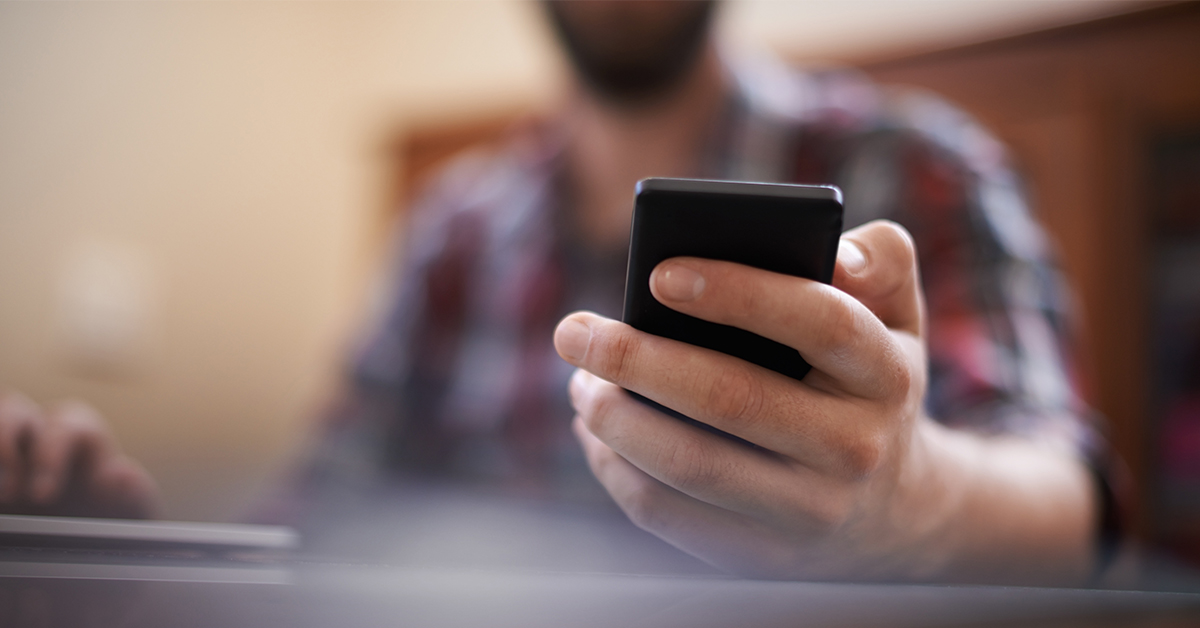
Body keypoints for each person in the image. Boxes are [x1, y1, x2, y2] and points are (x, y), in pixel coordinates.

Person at [0, 1, 1119, 584]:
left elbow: (1074, 507)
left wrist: (911, 502)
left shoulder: (920, 164)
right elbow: (324, 513)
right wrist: (149, 576)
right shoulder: (452, 227)